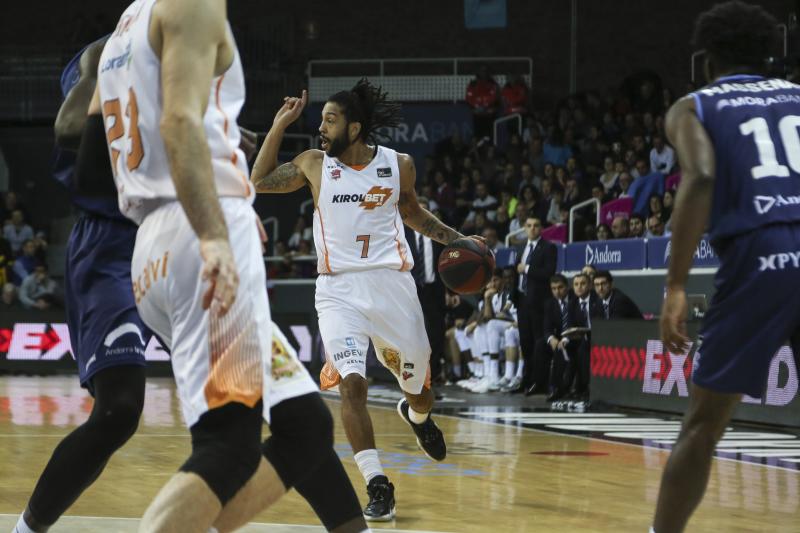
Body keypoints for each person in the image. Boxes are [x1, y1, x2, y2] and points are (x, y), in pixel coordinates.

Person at [93, 3, 369, 532]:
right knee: (228, 445)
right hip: (199, 237)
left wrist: (225, 174)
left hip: (158, 238)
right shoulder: (192, 4)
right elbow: (177, 121)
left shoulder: (124, 28)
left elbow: (137, 133)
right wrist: (216, 230)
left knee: (304, 424)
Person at [250, 79, 467, 521]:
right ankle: (377, 483)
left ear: (355, 128)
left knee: (421, 392)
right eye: (322, 120)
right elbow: (258, 182)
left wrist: (457, 239)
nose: (321, 129)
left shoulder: (397, 164)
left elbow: (411, 212)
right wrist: (278, 125)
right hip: (337, 290)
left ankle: (417, 416)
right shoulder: (313, 165)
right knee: (353, 384)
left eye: (330, 120)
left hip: (392, 285)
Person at [653, 3, 797, 532]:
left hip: (763, 257)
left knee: (703, 426)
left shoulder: (692, 107)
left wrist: (674, 285)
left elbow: (703, 175)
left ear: (706, 60)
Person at [515, 217, 558, 394]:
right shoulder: (520, 247)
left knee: (538, 343)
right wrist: (512, 297)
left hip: (539, 303)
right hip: (522, 302)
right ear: (524, 228)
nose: (532, 229)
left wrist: (526, 269)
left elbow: (549, 272)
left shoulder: (549, 248)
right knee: (525, 343)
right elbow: (515, 275)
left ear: (541, 228)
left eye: (536, 225)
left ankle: (539, 382)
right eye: (529, 226)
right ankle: (525, 380)